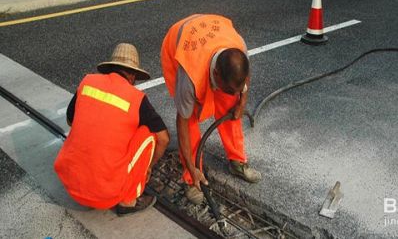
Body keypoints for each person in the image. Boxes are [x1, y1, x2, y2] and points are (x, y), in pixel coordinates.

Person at [54, 43, 170, 216]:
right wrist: (148, 166)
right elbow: (164, 138)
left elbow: (71, 121)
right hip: (105, 194)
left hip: (70, 185)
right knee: (149, 134)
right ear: (132, 75)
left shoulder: (87, 82)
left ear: (109, 68)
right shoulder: (136, 98)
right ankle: (128, 201)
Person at [161, 14, 261, 205]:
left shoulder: (238, 47)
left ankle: (237, 161)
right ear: (216, 74)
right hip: (178, 46)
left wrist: (241, 102)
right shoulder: (189, 75)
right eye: (229, 87)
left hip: (210, 37)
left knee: (229, 102)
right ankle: (191, 179)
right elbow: (182, 120)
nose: (235, 92)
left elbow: (244, 79)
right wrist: (191, 167)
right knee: (190, 117)